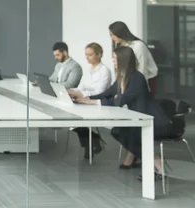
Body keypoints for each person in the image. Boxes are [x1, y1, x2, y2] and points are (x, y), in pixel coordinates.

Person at [76, 46, 174, 175]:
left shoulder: (136, 78)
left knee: (123, 132)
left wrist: (95, 102)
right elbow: (108, 93)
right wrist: (85, 98)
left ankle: (155, 161)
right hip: (138, 118)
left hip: (152, 120)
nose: (113, 61)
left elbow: (119, 102)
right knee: (117, 131)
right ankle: (147, 158)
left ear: (123, 60)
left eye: (115, 58)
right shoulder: (123, 76)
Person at [68, 43, 112, 159]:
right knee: (70, 119)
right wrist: (70, 91)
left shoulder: (104, 71)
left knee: (75, 120)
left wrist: (80, 94)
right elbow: (81, 87)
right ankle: (92, 141)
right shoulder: (88, 70)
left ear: (99, 54)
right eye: (86, 55)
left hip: (96, 103)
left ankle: (91, 143)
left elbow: (100, 92)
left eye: (90, 55)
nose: (87, 57)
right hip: (84, 101)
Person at [109, 21, 159, 97]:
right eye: (111, 35)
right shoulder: (120, 46)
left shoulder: (138, 45)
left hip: (147, 80)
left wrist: (139, 89)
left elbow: (142, 69)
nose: (112, 38)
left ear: (120, 33)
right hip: (130, 80)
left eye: (113, 35)